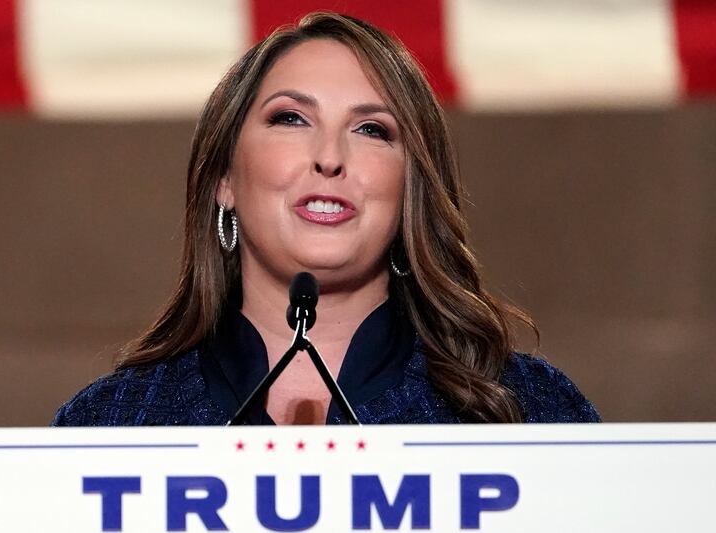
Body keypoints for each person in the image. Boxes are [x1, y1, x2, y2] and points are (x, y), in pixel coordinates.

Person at [52, 12, 599, 426]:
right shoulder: (110, 425)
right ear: (224, 178)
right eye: (291, 119)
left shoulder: (526, 413)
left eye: (372, 130)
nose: (330, 157)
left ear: (411, 189)